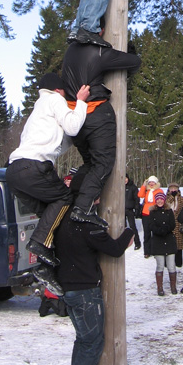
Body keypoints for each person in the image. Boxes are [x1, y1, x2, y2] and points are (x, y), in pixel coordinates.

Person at [6, 72, 90, 295]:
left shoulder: (38, 111)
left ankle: (44, 268)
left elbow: (58, 144)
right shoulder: (55, 99)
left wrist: (74, 139)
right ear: (59, 90)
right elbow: (72, 127)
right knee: (64, 198)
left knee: (52, 217)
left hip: (14, 172)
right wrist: (80, 103)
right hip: (34, 167)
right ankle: (39, 245)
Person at [55, 177, 134, 365]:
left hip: (68, 289)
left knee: (83, 340)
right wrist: (128, 233)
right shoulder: (86, 225)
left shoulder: (62, 217)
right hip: (85, 293)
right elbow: (115, 249)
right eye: (95, 197)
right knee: (92, 343)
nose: (99, 201)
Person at [62, 32, 141, 228]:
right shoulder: (99, 52)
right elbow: (134, 62)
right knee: (103, 162)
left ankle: (71, 202)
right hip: (95, 112)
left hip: (74, 114)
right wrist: (129, 51)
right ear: (100, 31)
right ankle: (82, 207)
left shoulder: (70, 49)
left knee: (90, 163)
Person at [148, 190, 177, 295]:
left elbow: (173, 224)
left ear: (164, 200)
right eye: (158, 199)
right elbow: (150, 225)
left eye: (161, 199)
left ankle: (173, 286)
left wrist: (166, 229)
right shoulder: (152, 212)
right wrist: (159, 231)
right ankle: (159, 288)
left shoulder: (169, 211)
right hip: (158, 241)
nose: (160, 201)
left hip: (169, 240)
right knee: (160, 265)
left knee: (171, 266)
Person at [138, 176, 161, 257]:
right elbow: (140, 195)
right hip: (146, 213)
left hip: (155, 213)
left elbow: (161, 201)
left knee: (155, 233)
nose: (151, 184)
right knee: (147, 233)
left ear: (156, 183)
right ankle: (147, 251)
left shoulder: (159, 191)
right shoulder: (147, 191)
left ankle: (155, 250)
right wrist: (144, 185)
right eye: (150, 182)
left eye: (153, 182)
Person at [165, 182, 183, 268]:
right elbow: (166, 206)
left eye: (175, 188)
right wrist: (172, 197)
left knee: (179, 243)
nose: (173, 190)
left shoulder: (181, 198)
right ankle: (168, 261)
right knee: (169, 241)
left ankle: (178, 261)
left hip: (178, 221)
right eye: (171, 188)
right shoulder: (166, 198)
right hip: (169, 221)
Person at [125, 175, 141, 250]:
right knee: (122, 227)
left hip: (130, 209)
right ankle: (123, 242)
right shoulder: (119, 187)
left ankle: (137, 242)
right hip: (121, 210)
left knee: (132, 226)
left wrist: (136, 209)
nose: (125, 180)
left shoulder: (133, 187)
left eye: (126, 178)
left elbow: (136, 199)